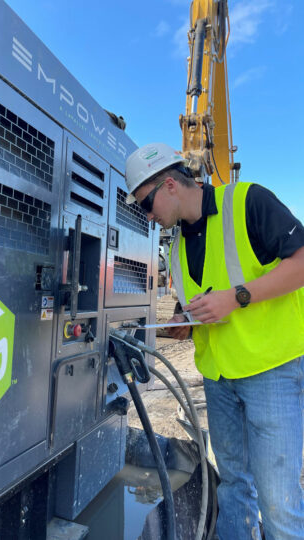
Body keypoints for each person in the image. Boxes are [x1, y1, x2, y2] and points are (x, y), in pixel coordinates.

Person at [125, 142, 304, 540]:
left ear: (169, 184)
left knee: (279, 501)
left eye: (146, 204)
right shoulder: (176, 245)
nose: (149, 217)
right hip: (218, 378)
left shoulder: (248, 201)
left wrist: (237, 297)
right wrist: (181, 321)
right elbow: (195, 301)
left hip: (271, 372)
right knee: (233, 487)